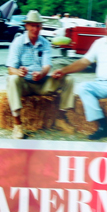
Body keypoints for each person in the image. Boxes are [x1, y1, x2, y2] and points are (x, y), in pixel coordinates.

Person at [52, 14, 107, 140]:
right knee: (83, 87)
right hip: (101, 84)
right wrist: (64, 71)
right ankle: (103, 126)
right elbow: (84, 62)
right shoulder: (99, 43)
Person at [6, 10, 75, 139]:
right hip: (25, 85)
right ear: (26, 26)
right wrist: (19, 72)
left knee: (69, 79)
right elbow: (10, 68)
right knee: (12, 78)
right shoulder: (18, 43)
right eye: (32, 25)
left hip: (42, 83)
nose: (35, 29)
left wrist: (42, 74)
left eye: (38, 26)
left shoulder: (45, 43)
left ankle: (60, 118)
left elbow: (47, 66)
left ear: (41, 27)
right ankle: (17, 124)